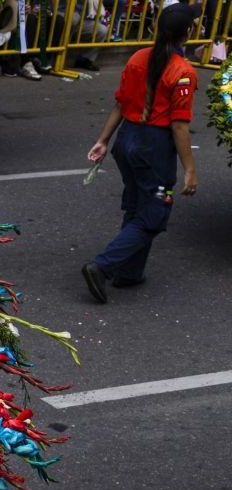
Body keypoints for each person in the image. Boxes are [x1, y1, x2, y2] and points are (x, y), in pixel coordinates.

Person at [81, 3, 199, 303]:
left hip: (127, 141)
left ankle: (129, 273)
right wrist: (190, 170)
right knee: (154, 216)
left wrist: (104, 140)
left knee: (137, 206)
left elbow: (121, 103)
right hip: (153, 146)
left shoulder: (137, 57)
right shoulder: (183, 72)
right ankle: (103, 266)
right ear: (188, 33)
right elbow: (179, 127)